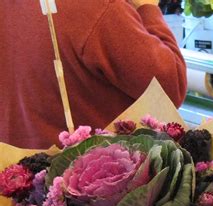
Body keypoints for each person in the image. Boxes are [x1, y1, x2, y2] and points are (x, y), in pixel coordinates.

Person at [0, 0, 187, 149]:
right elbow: (170, 88)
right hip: (90, 183)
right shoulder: (99, 9)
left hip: (20, 179)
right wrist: (148, 8)